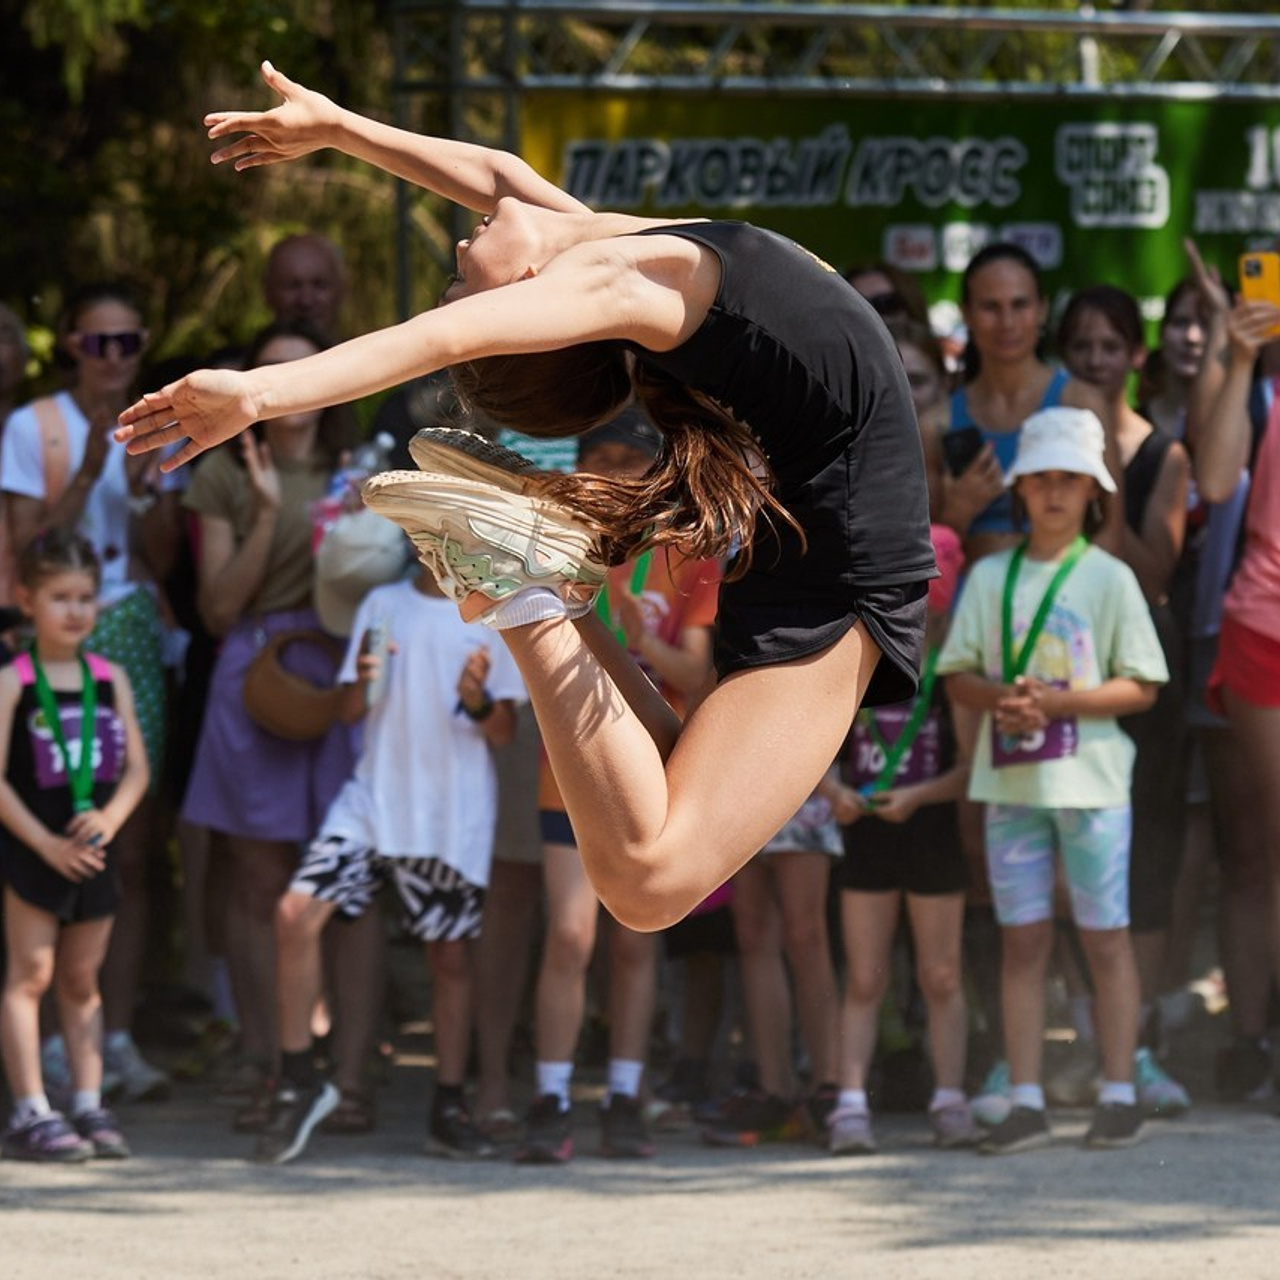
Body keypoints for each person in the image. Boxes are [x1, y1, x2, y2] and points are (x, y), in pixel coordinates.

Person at [116, 61, 935, 935]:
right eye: (470, 282)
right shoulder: (630, 278)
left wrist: (343, 130)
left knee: (653, 830)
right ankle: (530, 591)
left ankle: (530, 583)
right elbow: (438, 337)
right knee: (649, 882)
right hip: (841, 576)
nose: (462, 252)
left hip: (817, 562)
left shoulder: (627, 263)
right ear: (534, 307)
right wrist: (258, 394)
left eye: (458, 272)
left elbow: (500, 178)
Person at [938, 406, 1169, 1155]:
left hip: (1094, 787)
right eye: (1042, 480)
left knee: (1106, 939)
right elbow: (957, 674)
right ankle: (1029, 1098)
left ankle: (1118, 1091)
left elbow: (1144, 686)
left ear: (1094, 491)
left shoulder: (1110, 578)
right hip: (1012, 789)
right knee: (1023, 941)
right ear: (1022, 489)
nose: (1056, 493)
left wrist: (1058, 701)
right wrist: (1002, 698)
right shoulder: (990, 575)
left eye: (1070, 480)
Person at [255, 550, 521, 1165]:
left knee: (450, 959)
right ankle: (299, 1080)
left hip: (452, 814)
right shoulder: (381, 605)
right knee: (294, 917)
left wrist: (477, 698)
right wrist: (361, 679)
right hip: (373, 803)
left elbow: (503, 730)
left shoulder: (494, 614)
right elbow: (350, 710)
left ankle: (449, 1105)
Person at [517, 412, 720, 1163]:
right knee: (570, 936)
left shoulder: (687, 556)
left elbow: (698, 675)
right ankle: (551, 1095)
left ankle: (628, 1094)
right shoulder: (558, 549)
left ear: (656, 471)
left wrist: (640, 632)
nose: (608, 473)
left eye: (626, 461)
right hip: (563, 767)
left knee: (638, 943)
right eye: (594, 457)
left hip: (658, 767)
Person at [178, 319, 357, 1118]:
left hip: (344, 674)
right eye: (270, 371)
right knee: (255, 882)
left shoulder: (360, 471)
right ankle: (264, 1060)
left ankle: (344, 1073)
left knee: (346, 880)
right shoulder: (221, 475)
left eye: (305, 369)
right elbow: (216, 610)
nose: (287, 388)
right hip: (252, 673)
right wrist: (261, 513)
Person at [2, 281, 176, 1104]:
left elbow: (166, 555)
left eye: (128, 343)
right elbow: (31, 545)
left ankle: (112, 1032)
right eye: (98, 343)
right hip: (51, 637)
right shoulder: (32, 426)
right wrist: (99, 465)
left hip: (129, 632)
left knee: (126, 846)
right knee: (40, 823)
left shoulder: (166, 423)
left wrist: (145, 495)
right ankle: (40, 1057)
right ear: (71, 345)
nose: (115, 359)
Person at [1057, 284, 1192, 1118]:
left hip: (1144, 666)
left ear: (1136, 357)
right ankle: (1086, 1028)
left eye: (1113, 346)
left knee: (1146, 849)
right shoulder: (1050, 449)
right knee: (1066, 839)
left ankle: (1136, 1039)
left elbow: (1154, 573)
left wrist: (1103, 484)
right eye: (1084, 347)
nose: (1099, 359)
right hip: (1063, 662)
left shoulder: (1164, 455)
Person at [826, 524, 978, 1155]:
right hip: (865, 831)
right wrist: (833, 791)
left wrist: (916, 797)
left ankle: (950, 1098)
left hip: (931, 829)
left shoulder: (953, 671)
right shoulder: (858, 658)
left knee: (941, 974)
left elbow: (971, 768)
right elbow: (818, 747)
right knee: (864, 976)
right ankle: (850, 1103)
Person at [0, 531, 149, 1160]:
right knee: (30, 975)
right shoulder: (14, 679)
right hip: (34, 845)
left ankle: (88, 1102)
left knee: (83, 979)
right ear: (26, 599)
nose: (75, 611)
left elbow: (137, 769)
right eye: (60, 597)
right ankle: (32, 1109)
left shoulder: (108, 677)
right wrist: (42, 843)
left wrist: (110, 821)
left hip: (93, 846)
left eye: (85, 598)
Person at [1191, 260, 1280, 1114]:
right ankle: (1254, 1037)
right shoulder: (1256, 364)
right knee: (1260, 843)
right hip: (1264, 626)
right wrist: (1242, 356)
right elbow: (1215, 485)